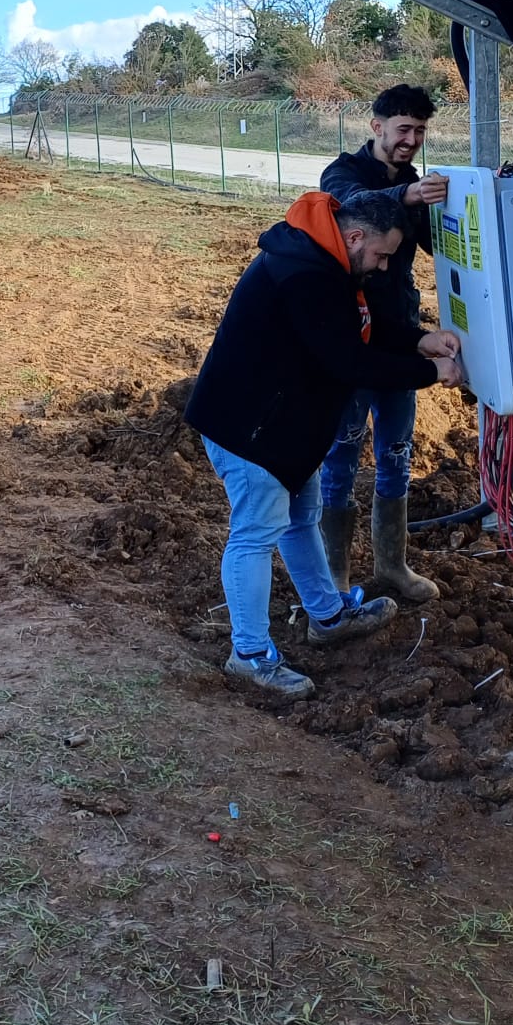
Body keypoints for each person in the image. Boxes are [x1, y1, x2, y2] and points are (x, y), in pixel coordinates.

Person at [185, 187, 464, 700]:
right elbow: (348, 361)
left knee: (300, 516)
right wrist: (429, 369)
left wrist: (417, 338)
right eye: (381, 256)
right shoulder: (307, 272)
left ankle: (329, 614)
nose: (382, 268)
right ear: (355, 236)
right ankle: (248, 654)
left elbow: (354, 328)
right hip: (250, 429)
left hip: (281, 424)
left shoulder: (324, 257)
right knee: (255, 533)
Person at [317, 84, 450, 607]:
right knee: (342, 452)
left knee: (396, 451)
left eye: (419, 131)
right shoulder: (342, 174)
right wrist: (408, 198)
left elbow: (441, 244)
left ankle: (392, 564)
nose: (411, 140)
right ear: (377, 127)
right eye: (403, 129)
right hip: (351, 332)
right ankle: (334, 573)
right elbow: (355, 207)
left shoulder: (418, 184)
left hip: (401, 330)